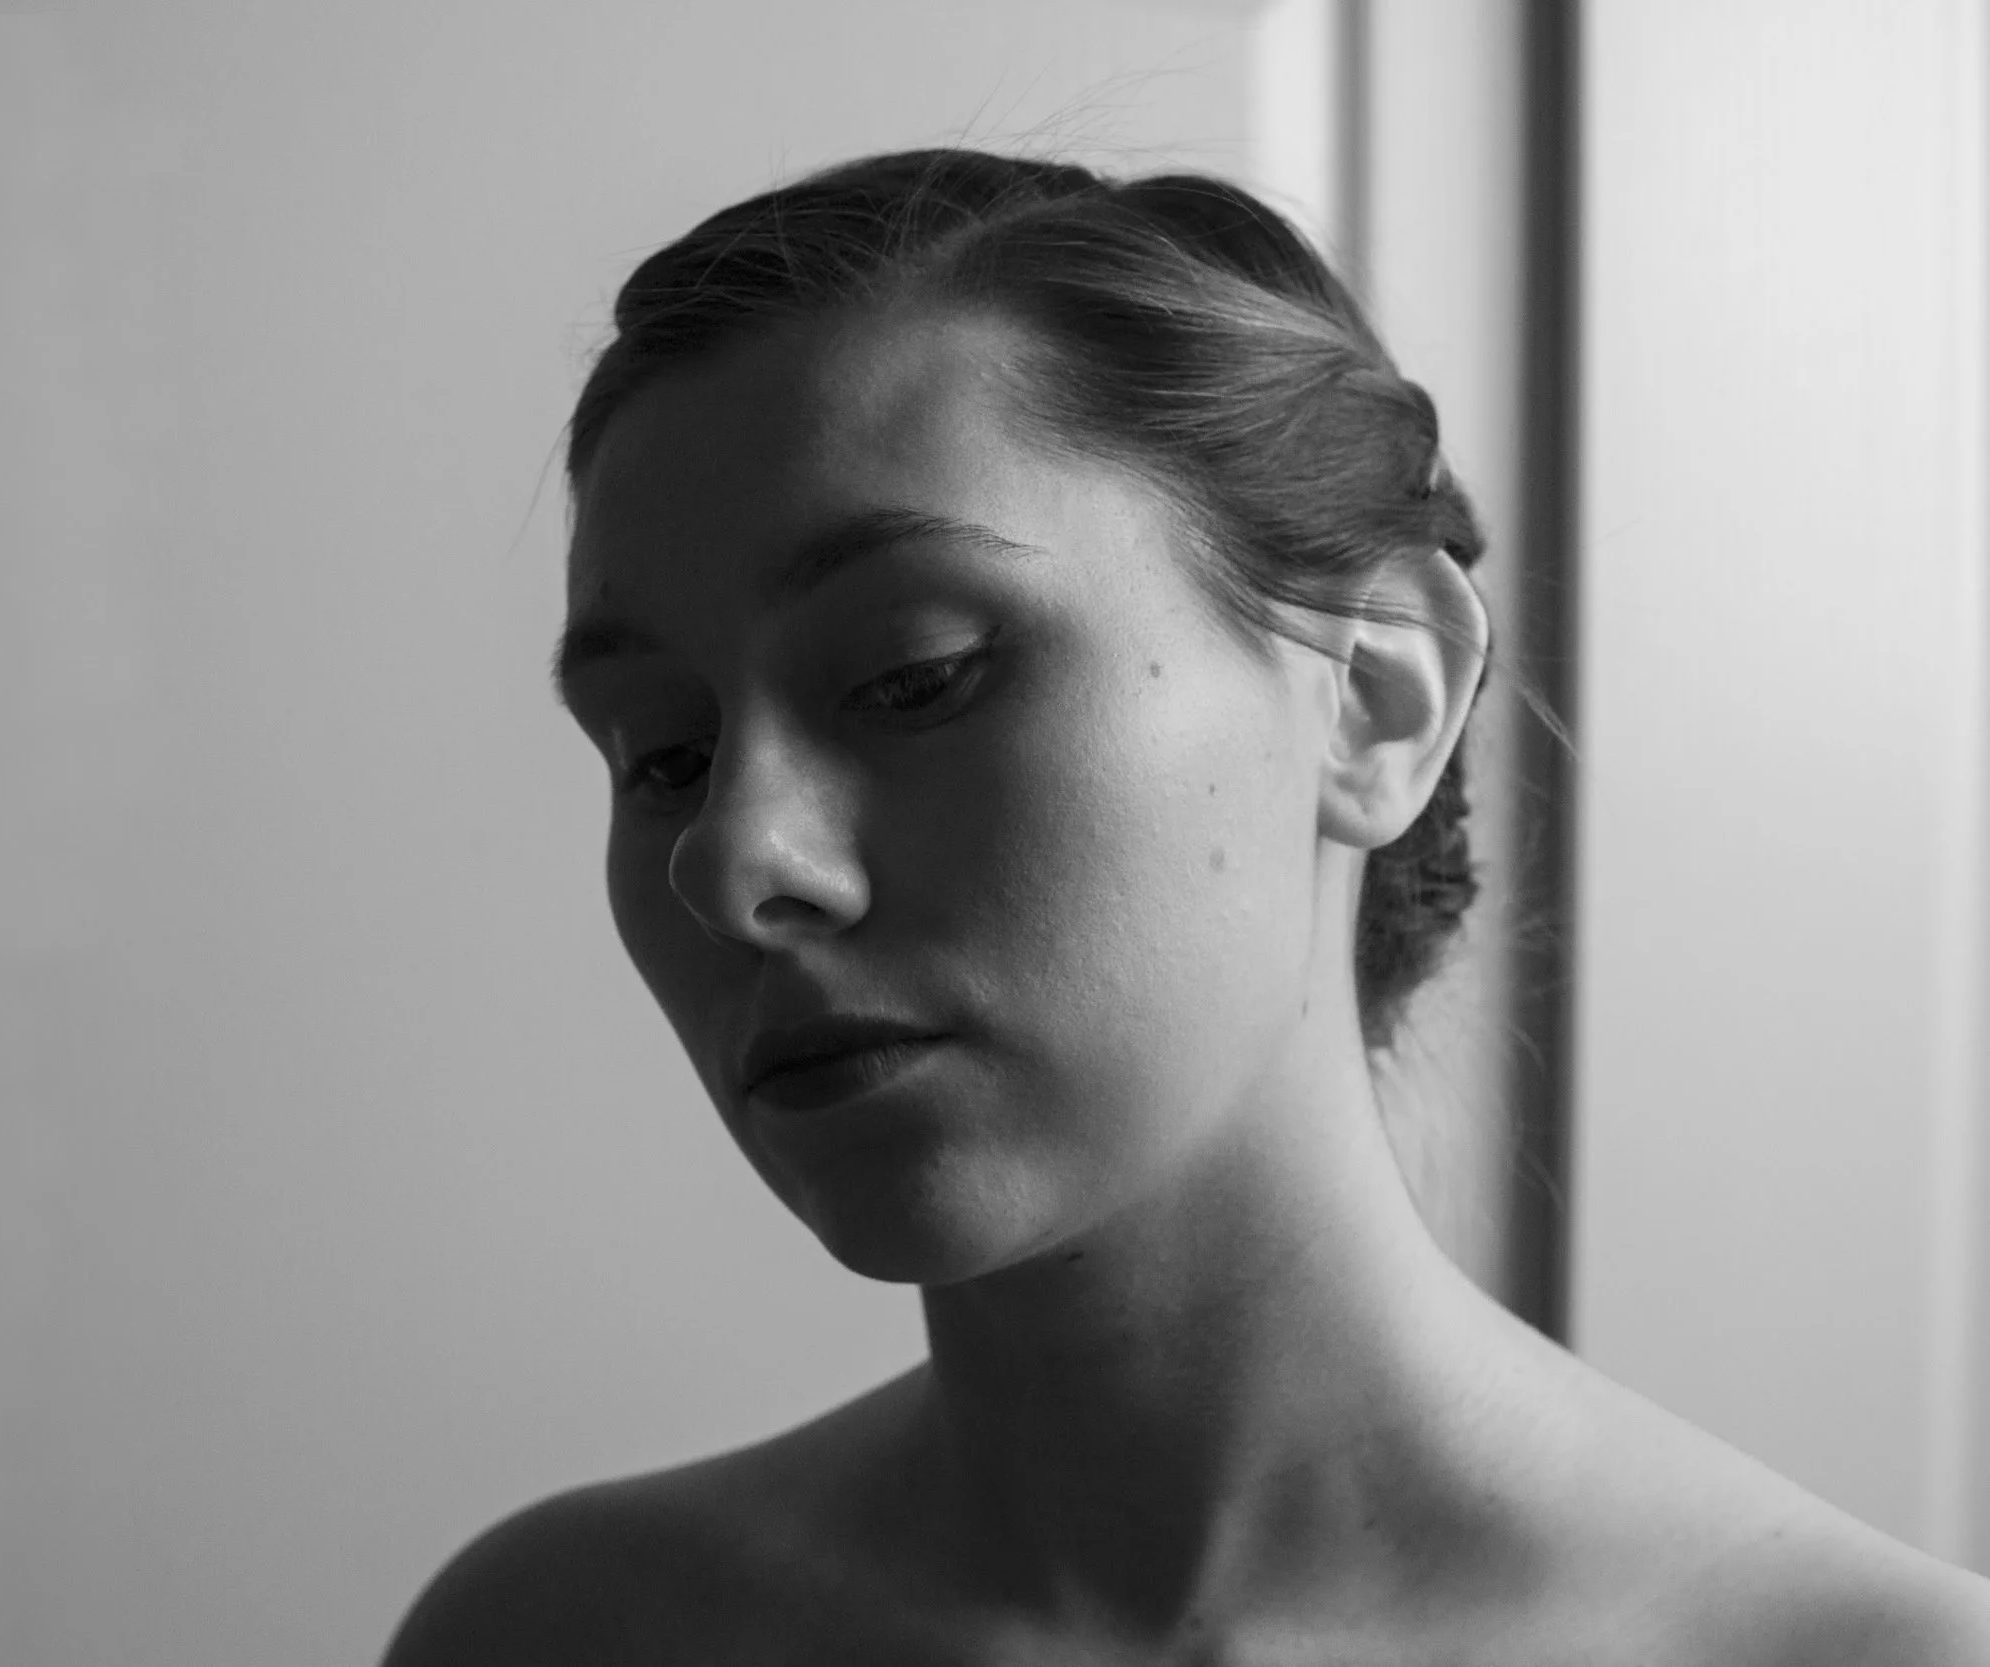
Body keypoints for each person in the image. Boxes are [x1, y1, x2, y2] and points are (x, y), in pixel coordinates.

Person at [384, 149, 1990, 1664]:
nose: (736, 862)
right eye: (665, 754)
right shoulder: (564, 1633)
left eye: (914, 675)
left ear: (1374, 694)